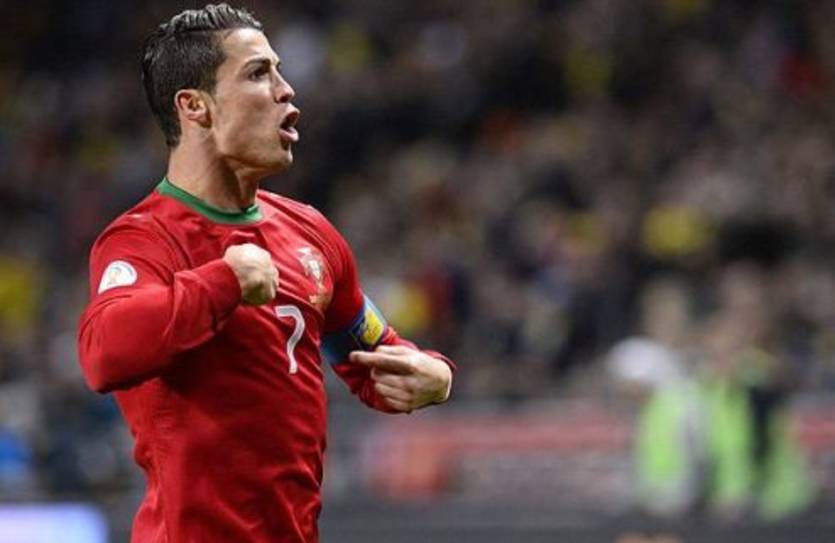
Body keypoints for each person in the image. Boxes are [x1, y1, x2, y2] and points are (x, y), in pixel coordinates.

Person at [76, 4, 454, 542]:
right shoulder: (144, 239)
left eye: (279, 70)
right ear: (195, 106)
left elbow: (373, 357)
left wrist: (435, 375)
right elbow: (104, 354)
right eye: (258, 73)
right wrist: (224, 282)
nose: (286, 89)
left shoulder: (310, 234)